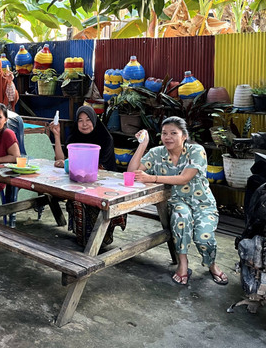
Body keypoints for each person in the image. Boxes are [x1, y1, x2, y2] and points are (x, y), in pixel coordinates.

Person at [128, 116, 228, 286]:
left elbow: (184, 178)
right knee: (180, 219)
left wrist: (152, 178)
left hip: (202, 203)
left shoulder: (196, 151)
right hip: (178, 201)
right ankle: (183, 264)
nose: (168, 137)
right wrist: (142, 145)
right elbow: (131, 173)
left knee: (204, 237)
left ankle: (212, 264)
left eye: (173, 133)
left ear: (184, 136)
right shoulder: (156, 153)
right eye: (164, 133)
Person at [49, 105, 125, 246]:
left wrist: (72, 164)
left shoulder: (104, 138)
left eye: (88, 120)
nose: (84, 124)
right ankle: (85, 241)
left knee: (89, 201)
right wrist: (57, 136)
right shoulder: (74, 137)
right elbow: (61, 159)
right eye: (80, 120)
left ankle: (100, 238)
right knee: (76, 199)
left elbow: (102, 168)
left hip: (104, 184)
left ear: (95, 120)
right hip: (78, 183)